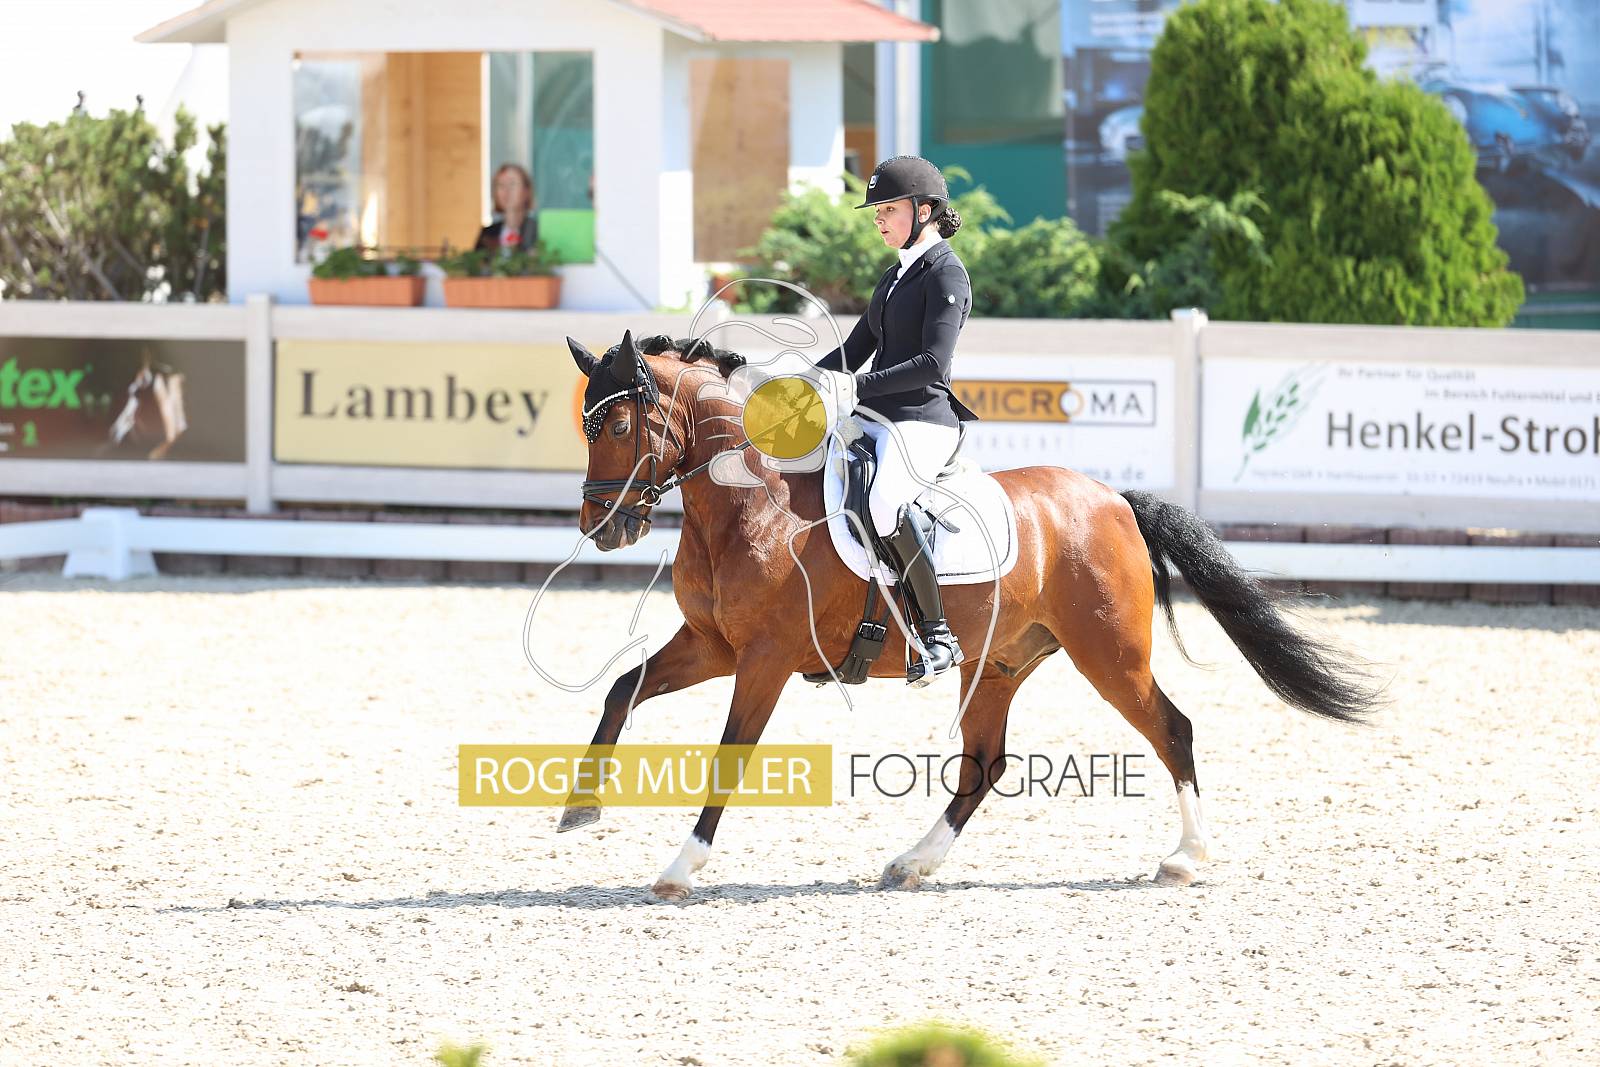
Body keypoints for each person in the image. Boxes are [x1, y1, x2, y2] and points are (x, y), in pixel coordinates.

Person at [815, 155, 982, 688]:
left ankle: (938, 635)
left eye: (889, 209)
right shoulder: (894, 276)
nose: (879, 219)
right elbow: (856, 348)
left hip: (923, 421)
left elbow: (933, 362)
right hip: (874, 415)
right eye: (877, 211)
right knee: (818, 474)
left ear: (924, 210)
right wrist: (802, 381)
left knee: (884, 502)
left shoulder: (946, 274)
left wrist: (857, 387)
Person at [474, 163, 538, 253]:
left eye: (512, 184)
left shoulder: (538, 230)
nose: (507, 191)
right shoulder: (488, 233)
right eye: (501, 185)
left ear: (526, 191)